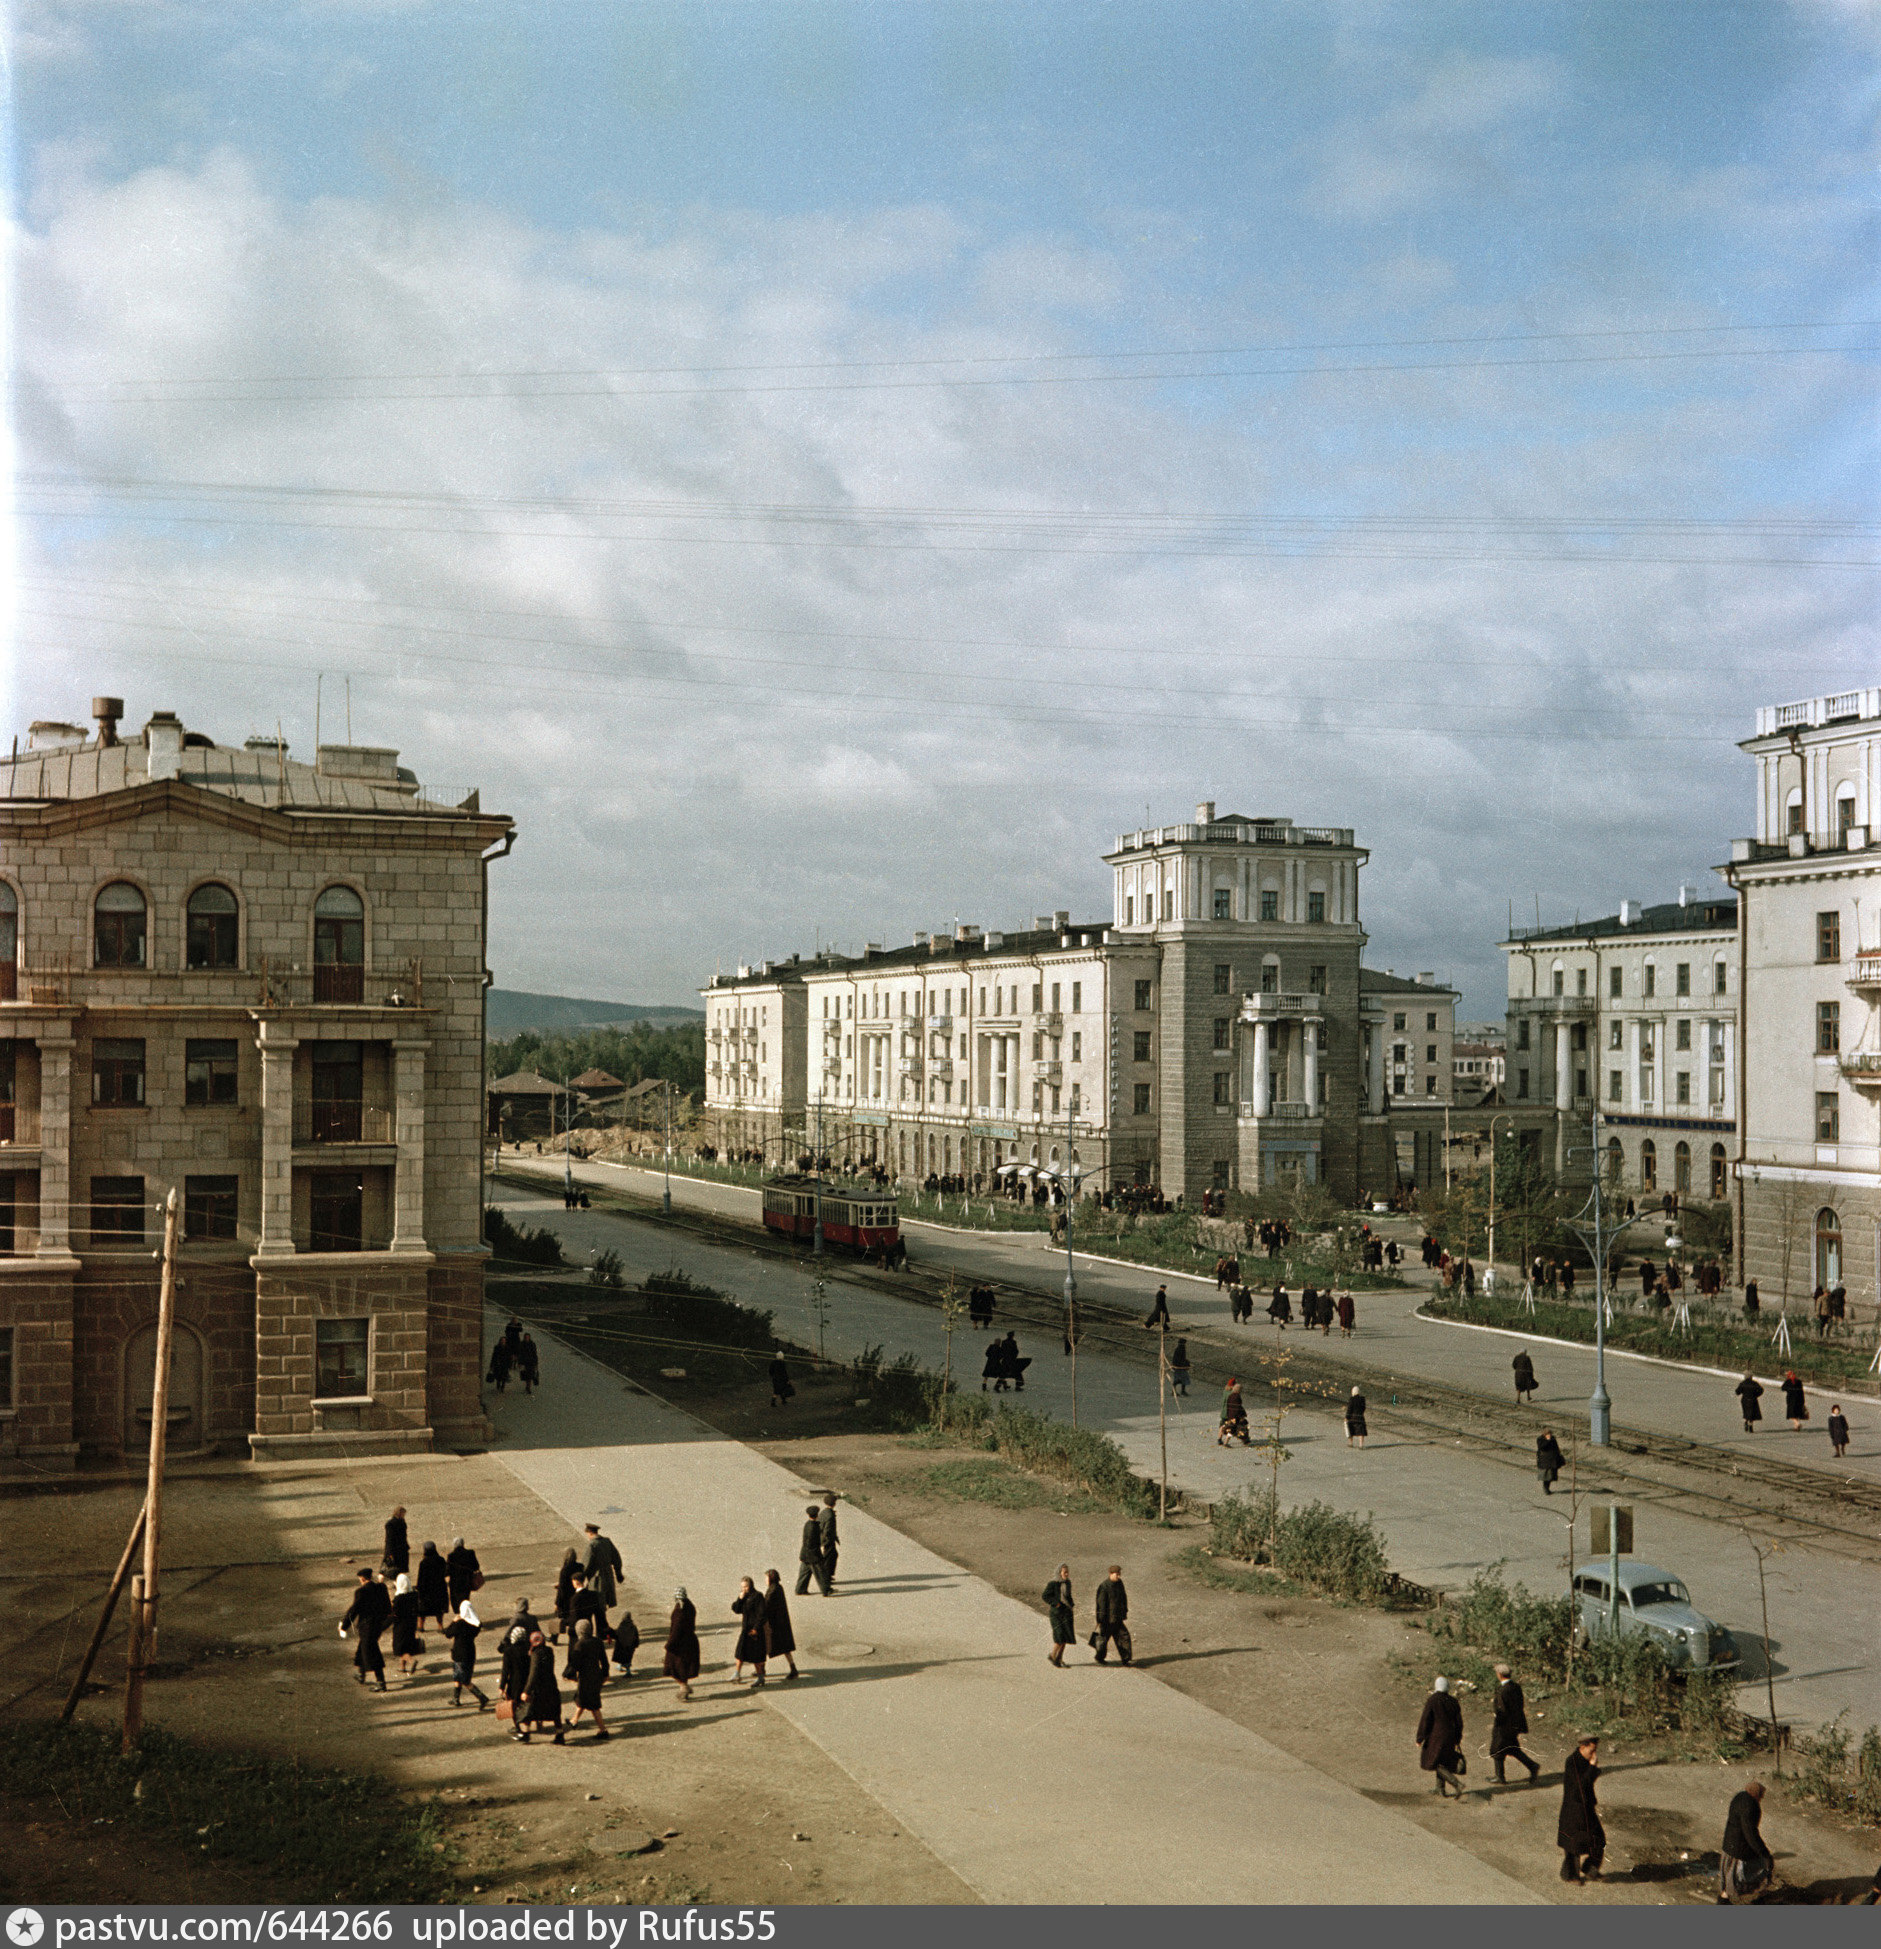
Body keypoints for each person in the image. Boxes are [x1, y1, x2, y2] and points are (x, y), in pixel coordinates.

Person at [1557, 1735, 1605, 1882]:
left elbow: (1588, 1782)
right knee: (1573, 1844)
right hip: (1574, 1809)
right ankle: (1571, 1875)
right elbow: (1581, 1786)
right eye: (1592, 1751)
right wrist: (1592, 1767)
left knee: (1599, 1839)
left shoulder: (1585, 1761)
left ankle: (1590, 1869)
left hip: (1587, 1807)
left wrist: (1592, 1768)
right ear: (1583, 1747)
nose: (1594, 1755)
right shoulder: (1572, 1762)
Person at [1718, 1779, 1773, 1903]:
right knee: (1741, 1879)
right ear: (1756, 1795)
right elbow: (1750, 1833)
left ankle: (1723, 1901)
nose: (1761, 1799)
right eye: (1761, 1797)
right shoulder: (1750, 1806)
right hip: (1739, 1849)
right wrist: (1763, 1852)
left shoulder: (1740, 1797)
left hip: (1729, 1846)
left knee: (1728, 1882)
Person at [339, 1568, 392, 1692]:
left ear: (362, 1579)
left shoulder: (361, 1591)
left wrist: (344, 1625)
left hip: (366, 1626)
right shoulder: (381, 1588)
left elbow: (354, 1610)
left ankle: (381, 1682)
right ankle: (361, 1674)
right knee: (363, 1647)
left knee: (371, 1651)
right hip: (378, 1625)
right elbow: (388, 1608)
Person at [1415, 1676, 1466, 1798]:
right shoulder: (1453, 1701)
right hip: (1450, 1736)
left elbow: (1426, 1719)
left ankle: (1457, 1784)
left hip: (1436, 1736)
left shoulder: (1433, 1700)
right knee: (1441, 1761)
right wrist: (1457, 1738)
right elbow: (1459, 1722)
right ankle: (1440, 1789)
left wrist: (1420, 1737)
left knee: (1436, 1762)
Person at [1490, 1664, 1540, 1784]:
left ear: (1500, 1675)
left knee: (1497, 1748)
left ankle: (1500, 1776)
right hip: (1515, 1724)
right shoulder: (1516, 1687)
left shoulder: (1502, 1690)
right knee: (1512, 1749)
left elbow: (1501, 1710)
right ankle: (1532, 1766)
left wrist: (1497, 1720)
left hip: (1504, 1725)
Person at [564, 1617, 611, 1740]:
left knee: (592, 1704)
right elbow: (604, 1661)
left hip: (585, 1676)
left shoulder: (579, 1644)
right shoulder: (597, 1642)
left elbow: (574, 1663)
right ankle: (574, 1720)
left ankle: (603, 1730)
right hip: (596, 1675)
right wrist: (605, 1674)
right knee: (583, 1698)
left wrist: (569, 1675)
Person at [518, 1629, 565, 1744]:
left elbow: (533, 1673)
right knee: (554, 1711)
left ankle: (525, 1733)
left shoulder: (536, 1654)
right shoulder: (549, 1651)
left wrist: (526, 1690)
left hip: (539, 1687)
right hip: (551, 1684)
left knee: (529, 1708)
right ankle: (560, 1733)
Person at [444, 1598, 491, 1710]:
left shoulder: (460, 1623)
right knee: (459, 1676)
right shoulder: (475, 1624)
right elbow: (478, 1623)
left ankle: (482, 1697)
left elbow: (448, 1633)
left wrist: (454, 1621)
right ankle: (456, 1699)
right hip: (470, 1652)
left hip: (460, 1654)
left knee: (464, 1679)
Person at [664, 1587, 701, 1702]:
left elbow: (676, 1629)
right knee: (684, 1667)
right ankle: (685, 1686)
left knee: (675, 1667)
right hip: (690, 1641)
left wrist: (669, 1645)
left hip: (679, 1644)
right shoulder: (689, 1606)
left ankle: (683, 1688)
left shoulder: (679, 1611)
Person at [761, 1569, 799, 1680]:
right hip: (781, 1623)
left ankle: (762, 1669)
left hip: (774, 1624)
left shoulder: (772, 1591)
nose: (765, 1580)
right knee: (785, 1648)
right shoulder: (778, 1588)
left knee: (765, 1645)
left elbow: (766, 1605)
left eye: (766, 1578)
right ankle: (793, 1668)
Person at [1093, 1565, 1131, 1665]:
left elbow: (1124, 1597)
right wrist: (1100, 1619)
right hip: (1107, 1620)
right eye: (1117, 1574)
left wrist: (1125, 1611)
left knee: (1124, 1637)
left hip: (1117, 1618)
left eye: (1119, 1574)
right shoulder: (1104, 1586)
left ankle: (1126, 1659)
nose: (1119, 1576)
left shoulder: (1119, 1583)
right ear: (1110, 1574)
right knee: (1103, 1641)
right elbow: (1101, 1604)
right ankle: (1099, 1658)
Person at [389, 1571, 422, 1682]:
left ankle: (411, 1661)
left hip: (400, 1625)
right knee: (406, 1645)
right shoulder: (413, 1594)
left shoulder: (398, 1598)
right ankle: (402, 1667)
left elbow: (395, 1613)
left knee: (399, 1647)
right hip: (411, 1623)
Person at [584, 1523, 623, 1611]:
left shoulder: (592, 1545)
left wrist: (581, 1577)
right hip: (608, 1576)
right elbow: (616, 1558)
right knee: (605, 1599)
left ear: (590, 1533)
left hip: (597, 1578)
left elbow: (586, 1564)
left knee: (597, 1602)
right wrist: (618, 1572)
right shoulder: (607, 1541)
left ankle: (602, 1623)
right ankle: (604, 1622)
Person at [1042, 1564, 1076, 1667]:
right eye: (1064, 1572)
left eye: (1067, 1572)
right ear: (1059, 1573)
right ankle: (1052, 1656)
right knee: (1059, 1636)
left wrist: (1071, 1605)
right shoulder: (1053, 1584)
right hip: (1056, 1613)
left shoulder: (1068, 1583)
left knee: (1065, 1637)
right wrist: (1056, 1603)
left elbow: (1068, 1596)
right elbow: (1045, 1596)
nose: (1066, 1574)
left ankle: (1059, 1658)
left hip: (1067, 1612)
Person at [795, 1503, 832, 1596]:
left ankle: (800, 1589)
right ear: (817, 1515)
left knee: (804, 1573)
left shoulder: (807, 1524)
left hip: (805, 1554)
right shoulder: (814, 1527)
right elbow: (812, 1543)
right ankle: (826, 1590)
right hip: (813, 1556)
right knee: (820, 1573)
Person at [415, 1539, 449, 1628]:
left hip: (427, 1590)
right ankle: (440, 1625)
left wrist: (419, 1589)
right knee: (439, 1610)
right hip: (439, 1588)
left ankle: (421, 1626)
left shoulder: (423, 1562)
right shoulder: (441, 1560)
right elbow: (446, 1572)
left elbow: (420, 1577)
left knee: (423, 1609)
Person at [445, 1535, 481, 1610]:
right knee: (465, 1600)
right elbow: (476, 1567)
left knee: (456, 1602)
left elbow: (447, 1572)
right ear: (463, 1544)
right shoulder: (470, 1553)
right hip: (467, 1581)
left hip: (455, 1584)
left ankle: (459, 1616)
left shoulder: (451, 1556)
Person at [552, 1547, 579, 1640]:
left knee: (558, 1618)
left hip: (565, 1599)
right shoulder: (580, 1567)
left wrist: (557, 1602)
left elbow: (562, 1589)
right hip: (575, 1595)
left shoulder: (564, 1570)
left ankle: (554, 1637)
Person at [818, 1492, 841, 1589]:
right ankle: (826, 1577)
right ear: (834, 1503)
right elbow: (828, 1530)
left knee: (833, 1555)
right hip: (828, 1540)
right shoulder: (830, 1515)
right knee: (829, 1558)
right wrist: (829, 1539)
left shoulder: (824, 1512)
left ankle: (828, 1575)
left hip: (824, 1539)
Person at [1219, 1378, 1249, 1446]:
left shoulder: (1230, 1395)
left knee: (1231, 1429)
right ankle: (1245, 1440)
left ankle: (1223, 1441)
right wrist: (1242, 1414)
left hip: (1230, 1415)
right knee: (1241, 1427)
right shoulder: (1237, 1397)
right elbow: (1238, 1407)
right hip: (1235, 1416)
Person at [382, 1505, 410, 1577]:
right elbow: (389, 1539)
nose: (404, 1515)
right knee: (391, 1568)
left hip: (402, 1549)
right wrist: (390, 1552)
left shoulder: (402, 1522)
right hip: (394, 1549)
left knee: (401, 1568)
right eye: (403, 1513)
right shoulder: (390, 1524)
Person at [1536, 1430, 1565, 1494]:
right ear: (1544, 1434)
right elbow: (1542, 1447)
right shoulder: (1540, 1439)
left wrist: (1558, 1455)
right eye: (1548, 1434)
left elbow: (1556, 1448)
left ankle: (1547, 1488)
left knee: (1551, 1476)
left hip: (1553, 1461)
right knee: (1547, 1476)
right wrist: (1548, 1440)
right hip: (1545, 1461)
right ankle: (1546, 1488)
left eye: (1550, 1434)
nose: (1549, 1435)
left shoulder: (1553, 1439)